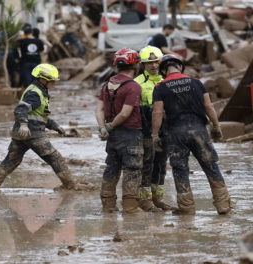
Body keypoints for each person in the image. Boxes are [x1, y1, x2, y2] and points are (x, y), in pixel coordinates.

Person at [0, 64, 89, 192]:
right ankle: (71, 186)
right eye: (52, 81)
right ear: (43, 79)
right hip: (33, 133)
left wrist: (55, 126)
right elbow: (20, 110)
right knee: (55, 158)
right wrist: (24, 124)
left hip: (21, 134)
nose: (54, 83)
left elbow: (38, 115)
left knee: (11, 162)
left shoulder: (38, 91)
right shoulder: (35, 93)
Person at [152, 54, 231, 215]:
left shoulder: (160, 87)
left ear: (164, 70)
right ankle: (223, 205)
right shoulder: (196, 83)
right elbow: (209, 106)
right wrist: (216, 125)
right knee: (210, 165)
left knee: (180, 168)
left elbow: (158, 112)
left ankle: (186, 209)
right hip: (199, 131)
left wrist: (155, 135)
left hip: (175, 134)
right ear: (180, 67)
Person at [95, 48, 144, 214]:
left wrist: (103, 128)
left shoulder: (107, 84)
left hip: (112, 136)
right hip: (130, 134)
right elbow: (125, 113)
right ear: (135, 65)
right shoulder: (133, 86)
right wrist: (110, 126)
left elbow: (99, 109)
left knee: (112, 168)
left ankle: (108, 206)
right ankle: (130, 208)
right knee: (132, 170)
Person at [134, 46, 174, 211]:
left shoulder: (166, 80)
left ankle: (158, 198)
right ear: (143, 64)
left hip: (166, 129)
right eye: (149, 63)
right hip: (146, 130)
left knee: (162, 164)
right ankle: (145, 200)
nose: (153, 66)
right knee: (147, 164)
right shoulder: (137, 83)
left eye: (156, 62)